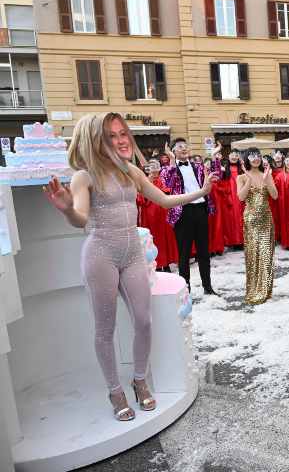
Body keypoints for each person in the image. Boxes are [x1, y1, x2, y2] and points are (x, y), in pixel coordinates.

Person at [44, 113, 215, 421]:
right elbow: (80, 219)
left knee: (144, 321)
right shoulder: (85, 176)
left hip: (132, 252)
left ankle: (138, 379)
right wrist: (68, 208)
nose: (122, 139)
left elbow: (163, 200)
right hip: (100, 254)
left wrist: (201, 193)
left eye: (123, 133)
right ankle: (114, 390)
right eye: (112, 135)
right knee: (105, 329)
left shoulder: (131, 171)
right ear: (96, 140)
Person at [162, 138, 222, 295]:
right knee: (184, 254)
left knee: (204, 251)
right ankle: (185, 290)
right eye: (179, 146)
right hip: (183, 212)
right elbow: (166, 183)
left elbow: (217, 176)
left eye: (185, 146)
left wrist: (214, 156)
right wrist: (172, 161)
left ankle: (207, 287)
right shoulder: (169, 169)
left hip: (201, 210)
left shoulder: (198, 166)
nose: (184, 148)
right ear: (173, 151)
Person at [237, 148, 278, 305]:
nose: (256, 159)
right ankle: (254, 290)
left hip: (266, 219)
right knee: (254, 256)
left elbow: (275, 196)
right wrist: (248, 179)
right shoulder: (241, 177)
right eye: (252, 156)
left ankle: (266, 291)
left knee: (267, 255)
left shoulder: (266, 175)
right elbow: (241, 197)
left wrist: (267, 179)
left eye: (258, 156)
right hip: (251, 221)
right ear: (247, 159)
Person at [136, 159, 178, 272]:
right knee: (154, 239)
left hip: (163, 214)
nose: (155, 173)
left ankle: (167, 263)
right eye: (152, 170)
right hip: (150, 216)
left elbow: (169, 192)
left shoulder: (162, 180)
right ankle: (157, 264)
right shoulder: (144, 181)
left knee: (165, 239)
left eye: (156, 169)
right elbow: (140, 199)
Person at [222, 150, 245, 247]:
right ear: (228, 156)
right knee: (231, 219)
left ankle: (243, 241)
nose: (234, 157)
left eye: (236, 155)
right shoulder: (224, 169)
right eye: (232, 155)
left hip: (241, 196)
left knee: (242, 218)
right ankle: (233, 241)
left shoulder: (242, 169)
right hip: (229, 197)